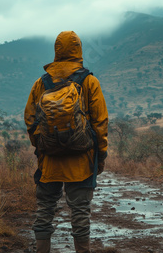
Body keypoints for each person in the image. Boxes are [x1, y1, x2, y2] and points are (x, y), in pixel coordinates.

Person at [24, 31, 108, 253]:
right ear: (78, 50)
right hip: (81, 161)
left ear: (56, 51)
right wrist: (100, 157)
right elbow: (100, 124)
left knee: (45, 210)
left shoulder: (41, 83)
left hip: (49, 162)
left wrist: (42, 145)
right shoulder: (89, 81)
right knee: (80, 212)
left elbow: (30, 120)